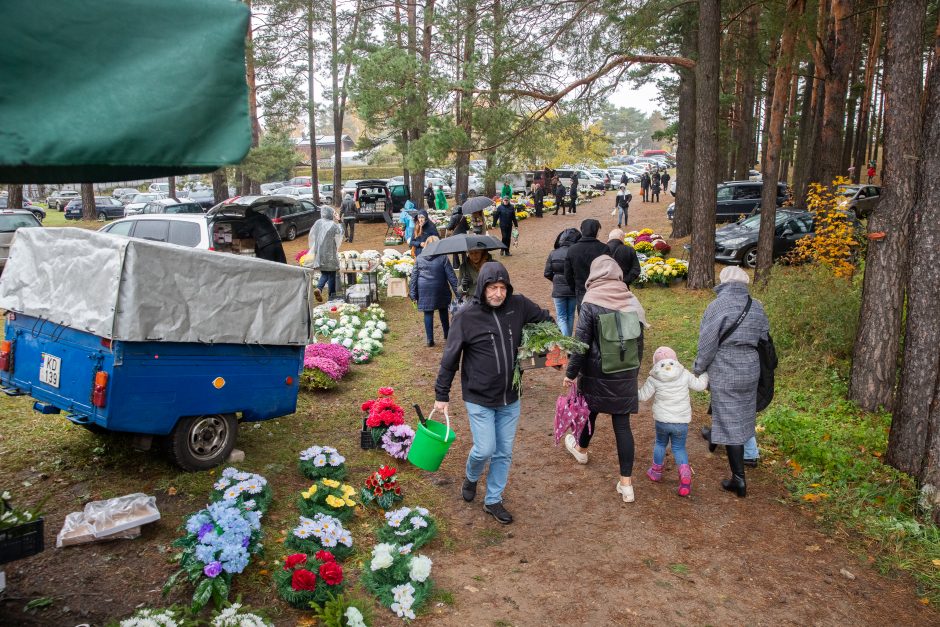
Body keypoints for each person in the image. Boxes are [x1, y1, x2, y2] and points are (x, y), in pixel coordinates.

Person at [434, 262, 553, 524]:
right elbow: (450, 358)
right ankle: (471, 476)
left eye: (502, 288)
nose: (498, 293)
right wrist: (442, 394)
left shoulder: (518, 305)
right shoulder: (466, 316)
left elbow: (545, 319)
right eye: (492, 288)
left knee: (504, 452)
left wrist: (548, 344)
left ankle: (493, 500)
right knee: (485, 448)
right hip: (479, 397)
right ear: (482, 288)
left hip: (510, 397)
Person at [563, 255, 647, 503]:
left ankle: (581, 450)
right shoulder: (631, 300)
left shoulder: (591, 301)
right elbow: (639, 343)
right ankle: (627, 484)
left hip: (596, 374)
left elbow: (580, 344)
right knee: (622, 427)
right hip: (624, 373)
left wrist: (570, 374)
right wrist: (633, 371)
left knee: (589, 414)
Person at [692, 266, 770, 498]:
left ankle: (739, 479)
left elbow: (707, 343)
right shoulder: (757, 306)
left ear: (724, 281)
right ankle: (719, 440)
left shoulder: (717, 306)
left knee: (730, 421)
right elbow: (764, 337)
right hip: (750, 367)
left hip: (725, 366)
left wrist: (698, 368)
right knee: (741, 414)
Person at [639, 346, 709, 497]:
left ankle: (656, 472)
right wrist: (705, 372)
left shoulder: (654, 377)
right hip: (681, 421)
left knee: (660, 443)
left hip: (662, 421)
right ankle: (685, 476)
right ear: (675, 360)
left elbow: (643, 396)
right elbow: (700, 385)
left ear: (655, 363)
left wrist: (628, 390)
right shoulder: (683, 373)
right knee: (679, 448)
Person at [410, 236, 458, 346]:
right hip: (440, 287)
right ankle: (447, 334)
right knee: (443, 310)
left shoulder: (420, 258)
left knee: (428, 312)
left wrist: (413, 294)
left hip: (424, 289)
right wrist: (458, 293)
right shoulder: (443, 258)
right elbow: (451, 276)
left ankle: (430, 340)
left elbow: (414, 277)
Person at [564, 218, 609, 308]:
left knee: (584, 318)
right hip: (600, 290)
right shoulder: (604, 248)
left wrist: (575, 288)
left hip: (581, 289)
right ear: (597, 231)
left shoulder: (572, 250)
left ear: (582, 230)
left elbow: (568, 274)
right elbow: (609, 271)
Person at [544, 227, 580, 336]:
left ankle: (565, 342)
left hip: (558, 290)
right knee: (570, 315)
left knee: (561, 316)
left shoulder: (553, 253)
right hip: (573, 289)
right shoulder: (575, 253)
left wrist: (556, 280)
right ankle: (568, 340)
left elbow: (547, 273)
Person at [307, 205, 344, 301]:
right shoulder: (333, 225)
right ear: (331, 214)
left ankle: (319, 288)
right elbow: (341, 232)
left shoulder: (318, 223)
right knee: (331, 274)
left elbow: (312, 236)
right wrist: (339, 220)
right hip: (330, 253)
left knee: (324, 273)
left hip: (319, 253)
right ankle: (331, 297)